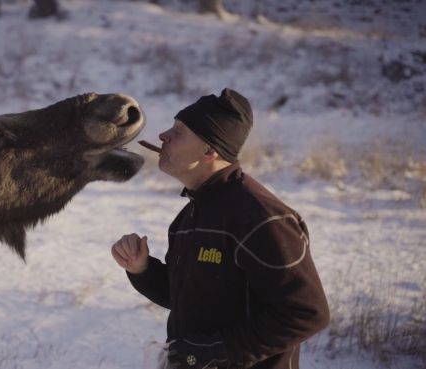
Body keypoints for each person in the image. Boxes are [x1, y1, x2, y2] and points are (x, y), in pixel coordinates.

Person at [111, 89, 330, 369]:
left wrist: (218, 350)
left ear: (210, 151)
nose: (163, 136)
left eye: (179, 132)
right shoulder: (188, 217)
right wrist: (141, 269)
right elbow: (189, 298)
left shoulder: (261, 218)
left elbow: (307, 312)